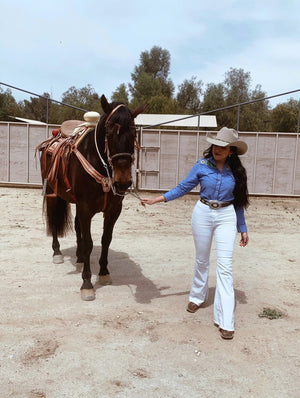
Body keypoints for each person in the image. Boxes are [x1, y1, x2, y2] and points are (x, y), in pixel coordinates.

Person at [141, 127, 249, 340]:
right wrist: (158, 199)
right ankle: (197, 297)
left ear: (231, 151)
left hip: (226, 215)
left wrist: (242, 228)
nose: (217, 149)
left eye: (223, 147)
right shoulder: (201, 166)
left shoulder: (237, 172)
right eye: (215, 145)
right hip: (203, 213)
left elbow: (238, 203)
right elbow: (183, 187)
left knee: (225, 267)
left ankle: (225, 320)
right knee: (201, 260)